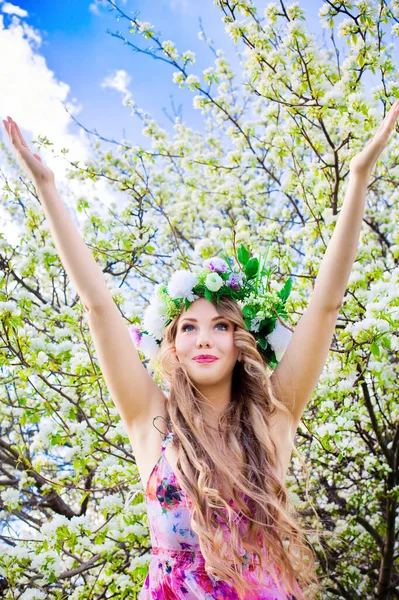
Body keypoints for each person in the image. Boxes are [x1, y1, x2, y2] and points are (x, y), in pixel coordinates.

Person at [3, 101, 399, 599]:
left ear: (241, 341)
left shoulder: (272, 419)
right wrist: (47, 188)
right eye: (188, 327)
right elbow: (98, 307)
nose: (205, 337)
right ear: (172, 345)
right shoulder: (153, 421)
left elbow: (326, 306)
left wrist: (360, 177)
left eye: (220, 325)